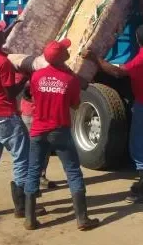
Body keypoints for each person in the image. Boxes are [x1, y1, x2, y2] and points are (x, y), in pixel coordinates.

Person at [85, 0, 143, 203]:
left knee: (139, 145)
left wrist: (95, 58)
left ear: (138, 42)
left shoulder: (141, 60)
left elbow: (117, 72)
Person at [0, 20, 44, 221]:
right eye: (2, 33)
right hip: (5, 116)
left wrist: (14, 26)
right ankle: (21, 207)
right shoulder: (2, 63)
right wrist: (25, 77)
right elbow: (11, 92)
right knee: (22, 158)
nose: (5, 35)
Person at [25, 38, 99, 231]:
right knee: (73, 171)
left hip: (38, 130)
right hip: (60, 130)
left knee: (33, 171)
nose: (68, 52)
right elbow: (75, 105)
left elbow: (33, 96)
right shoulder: (70, 80)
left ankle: (30, 220)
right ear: (62, 58)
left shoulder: (36, 76)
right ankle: (82, 219)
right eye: (66, 51)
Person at [19, 88, 57, 192]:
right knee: (41, 148)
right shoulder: (36, 75)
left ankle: (35, 178)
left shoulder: (29, 74)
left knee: (36, 149)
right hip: (36, 115)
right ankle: (35, 180)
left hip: (31, 113)